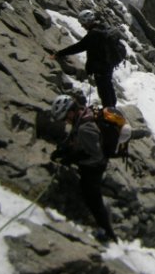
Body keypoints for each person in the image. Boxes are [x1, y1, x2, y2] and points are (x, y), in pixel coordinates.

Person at [50, 94, 117, 243]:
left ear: (71, 112)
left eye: (65, 118)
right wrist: (65, 151)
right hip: (94, 159)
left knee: (92, 197)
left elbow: (96, 155)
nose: (65, 122)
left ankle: (107, 232)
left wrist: (73, 158)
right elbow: (77, 138)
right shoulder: (83, 114)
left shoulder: (84, 128)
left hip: (95, 166)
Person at [53, 10, 117, 108]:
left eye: (83, 23)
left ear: (87, 21)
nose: (82, 26)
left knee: (104, 92)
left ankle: (109, 114)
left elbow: (79, 47)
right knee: (109, 87)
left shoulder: (93, 34)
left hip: (101, 68)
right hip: (109, 65)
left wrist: (59, 54)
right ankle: (113, 109)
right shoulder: (102, 27)